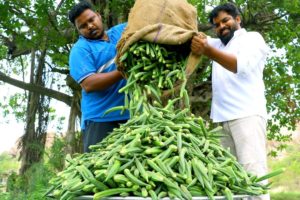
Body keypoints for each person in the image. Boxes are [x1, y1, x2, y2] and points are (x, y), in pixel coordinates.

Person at [191, 3, 270, 200]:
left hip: (246, 116)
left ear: (237, 19)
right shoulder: (219, 44)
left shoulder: (252, 39)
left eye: (225, 20)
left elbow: (239, 65)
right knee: (228, 179)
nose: (221, 27)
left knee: (254, 178)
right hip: (221, 121)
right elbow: (195, 39)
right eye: (216, 25)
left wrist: (207, 51)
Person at [68, 1, 129, 152]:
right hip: (100, 120)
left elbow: (150, 29)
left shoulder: (122, 32)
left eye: (91, 19)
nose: (89, 26)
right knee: (99, 170)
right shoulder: (80, 50)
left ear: (99, 16)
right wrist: (123, 72)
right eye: (82, 26)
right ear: (78, 30)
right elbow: (89, 84)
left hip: (132, 115)